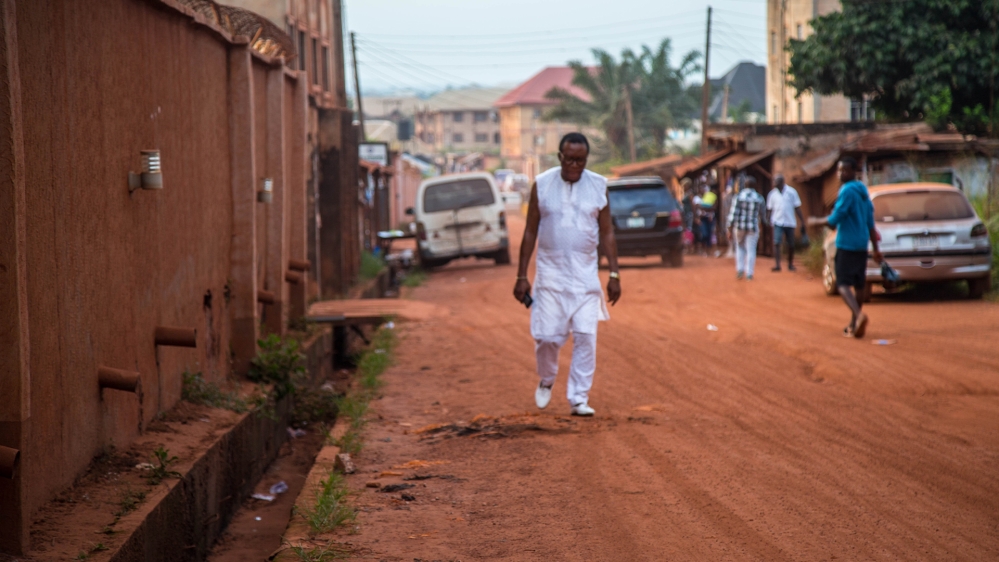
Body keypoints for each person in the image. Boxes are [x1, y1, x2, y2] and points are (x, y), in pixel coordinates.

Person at [513, 132, 621, 416]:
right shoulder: (543, 185)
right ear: (560, 157)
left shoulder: (598, 186)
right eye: (569, 159)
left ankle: (578, 398)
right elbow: (530, 231)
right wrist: (521, 276)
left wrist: (614, 274)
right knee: (547, 338)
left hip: (586, 277)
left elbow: (607, 232)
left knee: (586, 336)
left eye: (580, 160)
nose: (574, 165)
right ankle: (547, 379)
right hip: (550, 277)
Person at [808, 157, 883, 338]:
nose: (841, 174)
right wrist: (876, 249)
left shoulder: (846, 191)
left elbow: (835, 219)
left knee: (841, 283)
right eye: (839, 170)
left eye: (845, 170)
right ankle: (853, 323)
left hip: (846, 244)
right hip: (862, 244)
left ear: (853, 172)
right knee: (859, 285)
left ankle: (858, 315)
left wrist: (816, 221)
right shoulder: (863, 192)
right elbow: (870, 223)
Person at [726, 177, 767, 280]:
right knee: (751, 249)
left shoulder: (739, 197)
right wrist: (764, 224)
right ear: (755, 186)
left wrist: (729, 228)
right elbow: (763, 216)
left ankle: (740, 270)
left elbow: (733, 214)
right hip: (753, 227)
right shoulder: (759, 197)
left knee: (740, 248)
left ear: (744, 185)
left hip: (739, 227)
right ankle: (749, 273)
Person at [766, 174, 806, 271]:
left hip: (789, 222)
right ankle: (777, 265)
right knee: (776, 243)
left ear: (782, 182)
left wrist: (802, 221)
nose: (774, 183)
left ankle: (790, 264)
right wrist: (767, 220)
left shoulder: (792, 192)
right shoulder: (772, 194)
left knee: (791, 244)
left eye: (776, 182)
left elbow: (797, 207)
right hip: (777, 222)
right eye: (774, 181)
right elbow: (769, 210)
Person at [697, 184, 718, 257]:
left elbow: (714, 207)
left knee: (709, 234)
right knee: (704, 234)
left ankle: (708, 250)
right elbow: (698, 207)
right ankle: (703, 249)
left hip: (709, 218)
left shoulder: (711, 197)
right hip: (702, 219)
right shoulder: (698, 198)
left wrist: (704, 208)